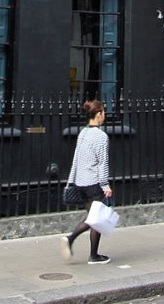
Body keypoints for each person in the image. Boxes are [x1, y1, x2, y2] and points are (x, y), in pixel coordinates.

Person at [61, 98, 113, 264]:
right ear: (98, 114)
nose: (104, 115)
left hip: (81, 181)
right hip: (93, 183)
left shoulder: (83, 133)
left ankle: (94, 254)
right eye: (103, 112)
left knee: (95, 217)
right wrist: (105, 185)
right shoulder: (101, 136)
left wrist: (71, 180)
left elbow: (77, 158)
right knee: (95, 219)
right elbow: (102, 162)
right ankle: (72, 239)